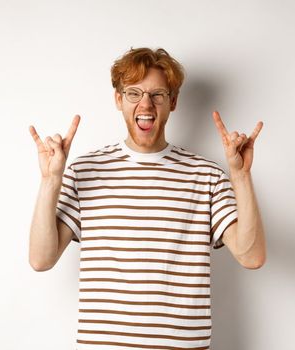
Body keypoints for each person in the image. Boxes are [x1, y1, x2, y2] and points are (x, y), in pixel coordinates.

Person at [27, 47, 266, 349]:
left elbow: (252, 256)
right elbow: (40, 258)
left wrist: (241, 177)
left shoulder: (206, 174)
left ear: (173, 101)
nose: (146, 104)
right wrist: (51, 181)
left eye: (158, 95)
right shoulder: (84, 171)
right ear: (118, 99)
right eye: (133, 93)